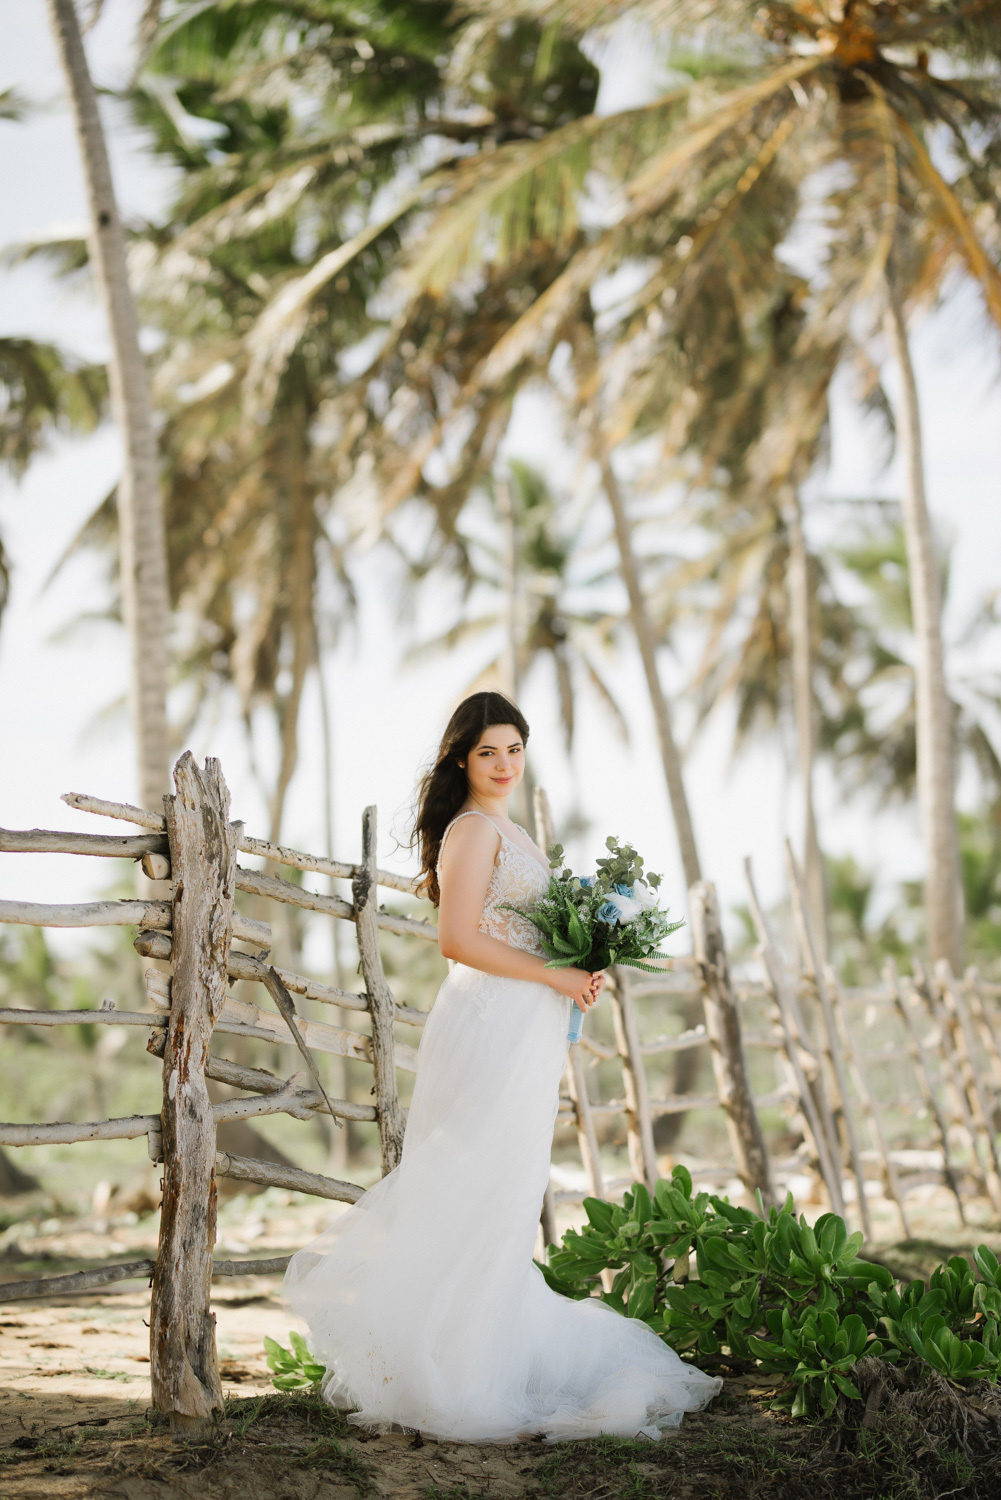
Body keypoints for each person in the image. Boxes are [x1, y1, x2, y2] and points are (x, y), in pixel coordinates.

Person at [283, 691, 721, 1442]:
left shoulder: (514, 831)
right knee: (473, 1181)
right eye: (489, 751)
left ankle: (486, 1346)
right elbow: (456, 939)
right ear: (462, 758)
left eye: (514, 749)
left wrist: (579, 963)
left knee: (512, 1190)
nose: (504, 764)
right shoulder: (470, 830)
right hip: (486, 1021)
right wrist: (551, 976)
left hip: (526, 1027)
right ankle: (444, 1366)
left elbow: (521, 931)